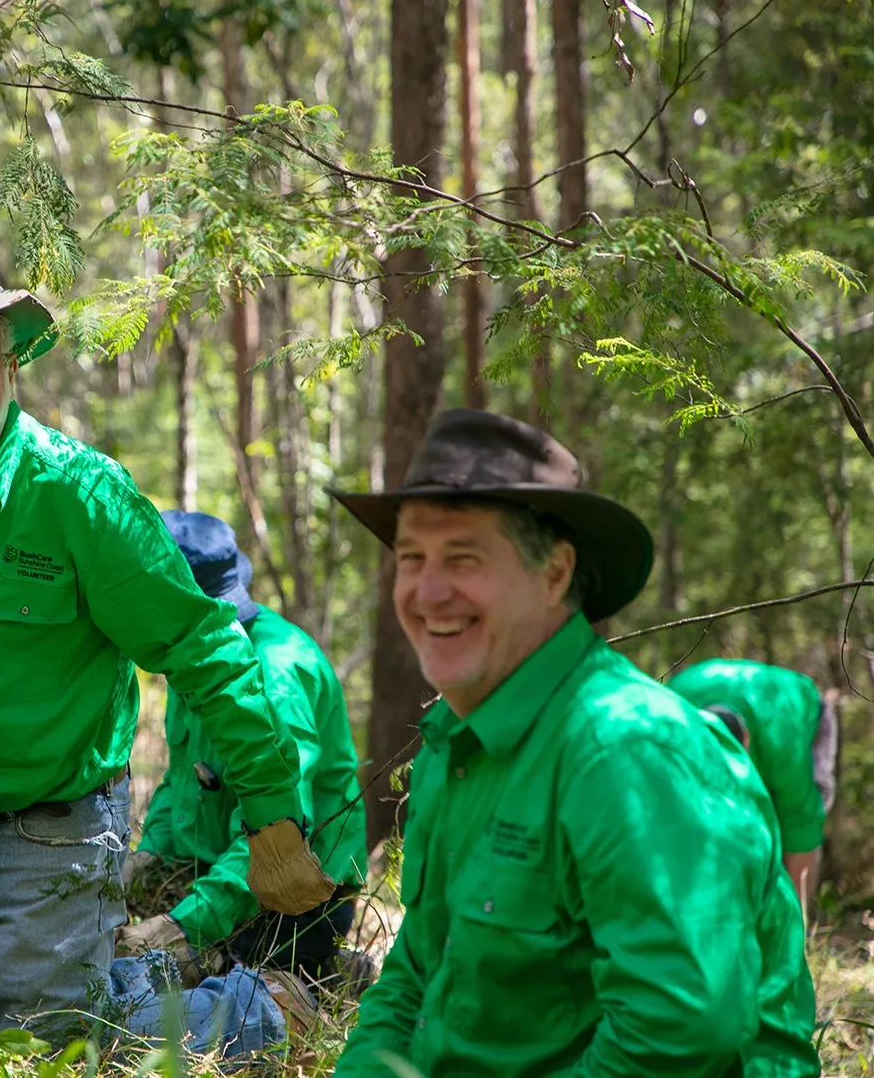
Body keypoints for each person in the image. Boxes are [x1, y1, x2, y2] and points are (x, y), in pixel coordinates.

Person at [0, 257, 332, 1051]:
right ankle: (121, 974)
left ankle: (260, 1010)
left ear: (10, 365)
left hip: (51, 826)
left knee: (47, 1047)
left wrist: (270, 813)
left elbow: (201, 645)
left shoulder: (81, 496)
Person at [329, 409, 817, 1076]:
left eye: (463, 558)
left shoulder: (626, 751)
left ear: (555, 574)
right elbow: (418, 969)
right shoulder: (455, 743)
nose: (427, 592)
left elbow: (681, 1032)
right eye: (411, 559)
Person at [119, 510, 368, 991]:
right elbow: (181, 780)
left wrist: (184, 926)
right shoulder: (194, 657)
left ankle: (332, 972)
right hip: (219, 867)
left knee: (230, 994)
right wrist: (147, 859)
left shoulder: (273, 680)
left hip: (299, 888)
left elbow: (281, 836)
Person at [670, 658, 837, 908]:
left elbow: (801, 831)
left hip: (802, 713)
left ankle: (778, 915)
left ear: (747, 739)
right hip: (706, 688)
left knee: (791, 820)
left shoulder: (784, 747)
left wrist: (798, 927)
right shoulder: (673, 716)